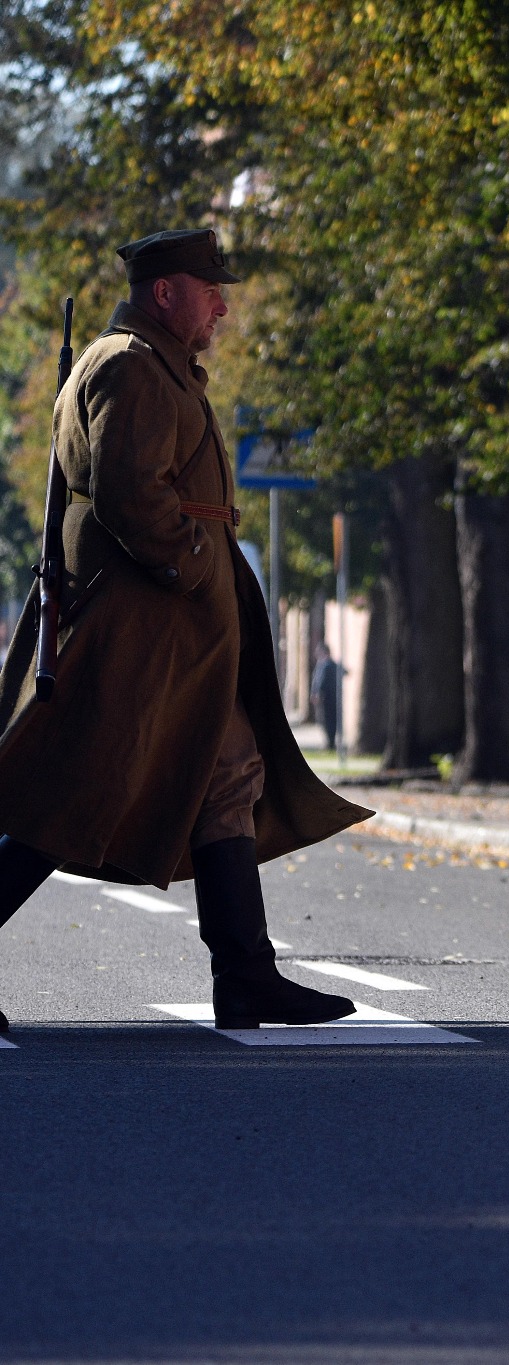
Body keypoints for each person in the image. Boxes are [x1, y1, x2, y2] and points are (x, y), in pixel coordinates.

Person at [0, 228, 371, 1032]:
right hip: (139, 633)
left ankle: (246, 976)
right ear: (165, 293)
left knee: (228, 776)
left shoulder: (153, 365)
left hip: (171, 636)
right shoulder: (132, 367)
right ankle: (245, 973)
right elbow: (135, 496)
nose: (223, 307)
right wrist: (196, 559)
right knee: (65, 801)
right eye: (210, 291)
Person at [312, 640, 343, 752]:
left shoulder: (329, 665)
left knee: (329, 721)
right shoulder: (321, 665)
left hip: (328, 698)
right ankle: (329, 742)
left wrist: (318, 693)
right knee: (323, 720)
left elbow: (322, 682)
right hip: (323, 699)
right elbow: (316, 681)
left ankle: (330, 743)